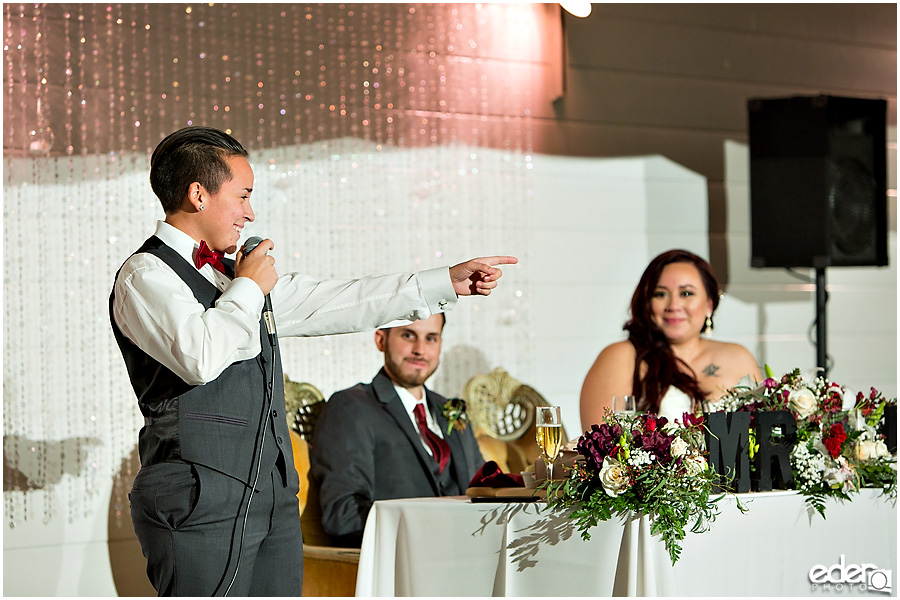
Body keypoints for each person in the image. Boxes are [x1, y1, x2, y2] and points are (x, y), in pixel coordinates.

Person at [109, 126, 516, 596]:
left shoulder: (235, 275)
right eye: (243, 195)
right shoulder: (145, 275)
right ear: (199, 194)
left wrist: (444, 284)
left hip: (273, 500)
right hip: (200, 502)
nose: (250, 212)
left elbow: (337, 301)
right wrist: (248, 287)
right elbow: (199, 357)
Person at [309, 313, 484, 547]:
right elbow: (344, 515)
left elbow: (485, 489)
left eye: (431, 338)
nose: (420, 349)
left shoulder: (451, 409)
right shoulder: (350, 407)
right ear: (381, 340)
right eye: (408, 335)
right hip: (402, 564)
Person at [580, 249, 761, 429]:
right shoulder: (619, 356)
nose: (673, 306)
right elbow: (600, 446)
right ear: (647, 302)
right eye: (660, 294)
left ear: (709, 304)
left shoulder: (739, 358)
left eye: (686, 293)